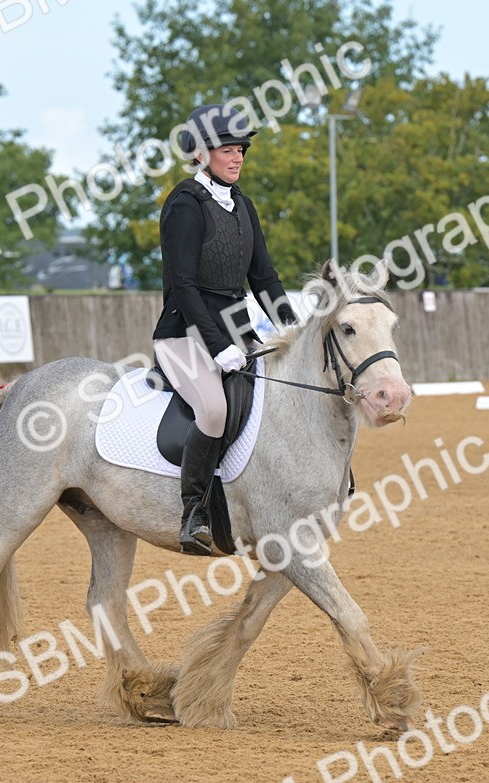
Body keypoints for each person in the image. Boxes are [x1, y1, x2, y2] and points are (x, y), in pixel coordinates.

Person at [153, 104, 298, 556]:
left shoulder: (242, 205)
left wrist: (296, 331)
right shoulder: (184, 204)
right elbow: (184, 284)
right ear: (200, 153)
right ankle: (193, 512)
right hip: (183, 335)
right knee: (213, 410)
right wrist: (216, 347)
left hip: (238, 330)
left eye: (240, 150)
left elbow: (265, 278)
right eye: (226, 150)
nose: (236, 158)